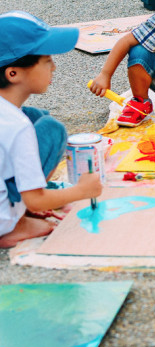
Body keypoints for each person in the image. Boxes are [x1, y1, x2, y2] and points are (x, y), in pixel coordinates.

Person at [0, 11, 103, 248]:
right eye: (47, 61)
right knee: (51, 129)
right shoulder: (16, 126)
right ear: (12, 73)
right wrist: (82, 190)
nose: (54, 67)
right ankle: (14, 224)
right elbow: (35, 200)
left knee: (37, 116)